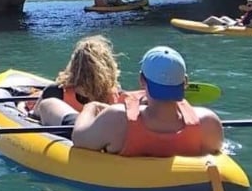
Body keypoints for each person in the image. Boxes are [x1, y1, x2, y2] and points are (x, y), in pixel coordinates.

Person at [59, 46, 225, 157]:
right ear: (185, 82)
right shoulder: (209, 122)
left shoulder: (116, 118)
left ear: (142, 80)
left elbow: (79, 139)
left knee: (49, 106)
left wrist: (91, 107)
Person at [32, 36, 123, 123]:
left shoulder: (56, 91)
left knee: (23, 106)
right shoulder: (116, 94)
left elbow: (34, 117)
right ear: (109, 67)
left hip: (68, 135)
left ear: (74, 66)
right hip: (101, 136)